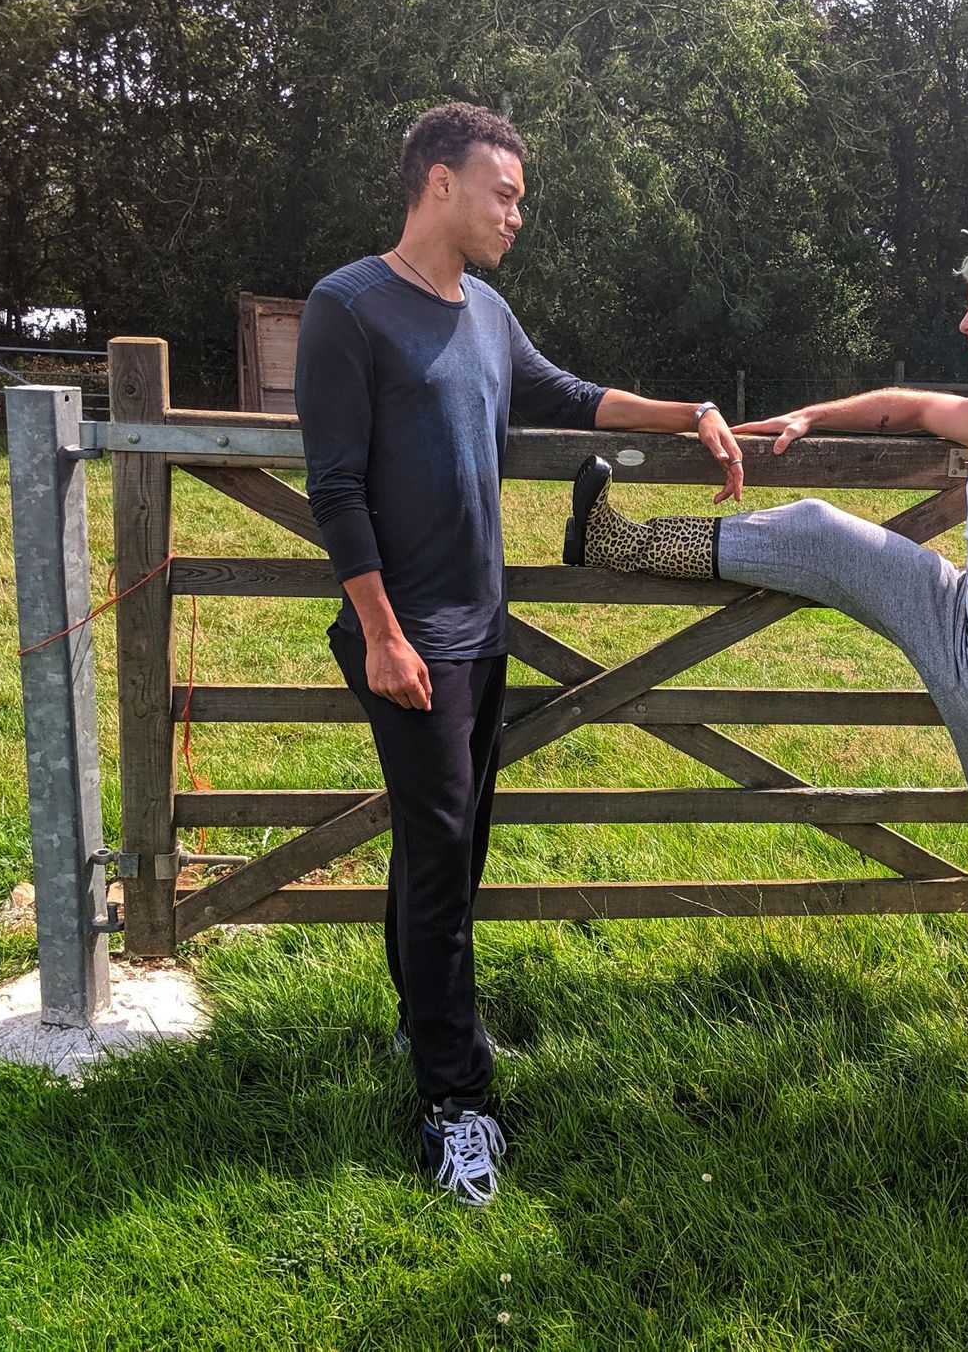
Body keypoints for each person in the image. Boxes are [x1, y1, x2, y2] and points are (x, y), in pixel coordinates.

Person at [295, 102, 745, 1206]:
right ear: (438, 182)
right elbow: (334, 489)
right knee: (443, 859)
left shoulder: (487, 313)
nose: (516, 216)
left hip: (480, 632)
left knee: (445, 853)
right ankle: (457, 1102)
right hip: (408, 642)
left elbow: (571, 396)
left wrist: (688, 412)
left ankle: (421, 1024)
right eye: (504, 194)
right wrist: (384, 636)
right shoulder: (347, 307)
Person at [563, 227, 968, 1054]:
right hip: (955, 616)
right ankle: (619, 543)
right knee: (818, 531)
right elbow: (906, 407)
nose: (965, 321)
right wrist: (811, 414)